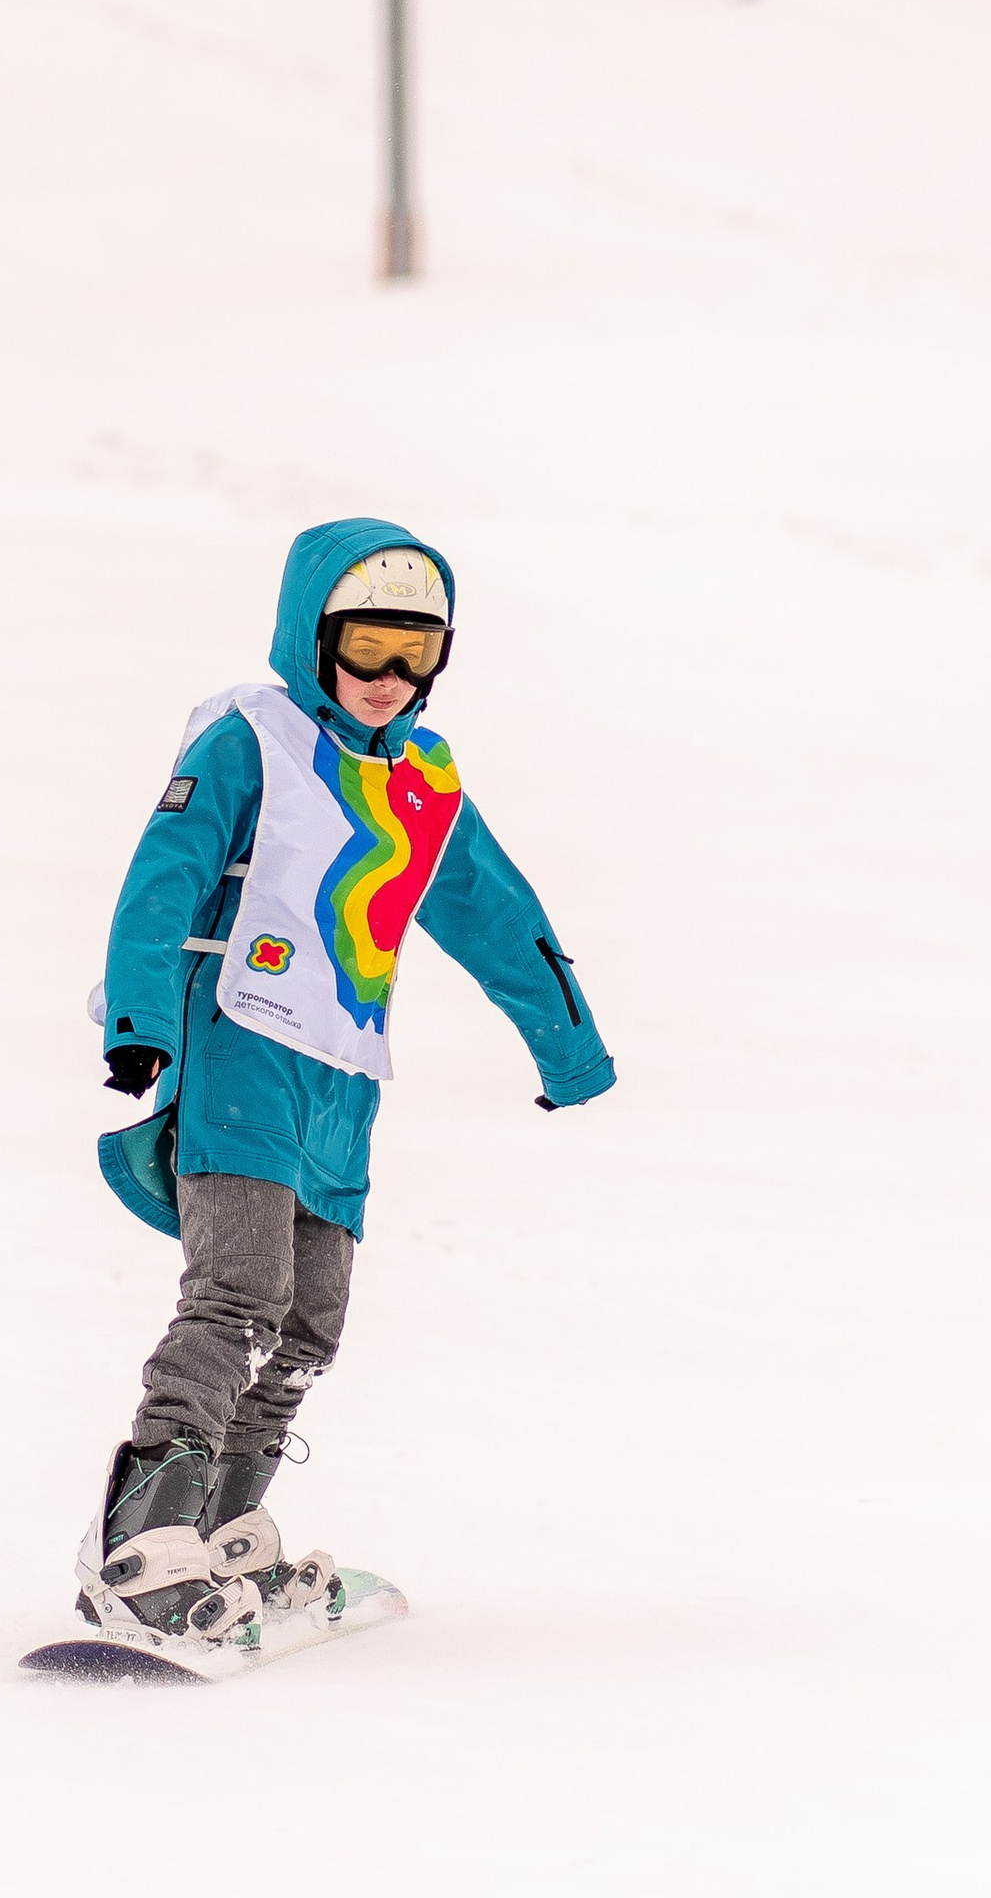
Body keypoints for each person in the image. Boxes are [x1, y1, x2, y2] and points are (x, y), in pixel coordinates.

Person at [80, 515, 613, 1643]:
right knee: (238, 1295)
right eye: (364, 644)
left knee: (310, 1321)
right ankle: (137, 1544)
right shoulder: (249, 737)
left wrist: (568, 1048)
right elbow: (162, 873)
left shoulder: (423, 777)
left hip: (343, 1076)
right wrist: (139, 1021)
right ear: (311, 636)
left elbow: (498, 916)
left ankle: (220, 1536)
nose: (387, 676)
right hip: (239, 1043)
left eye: (415, 651)